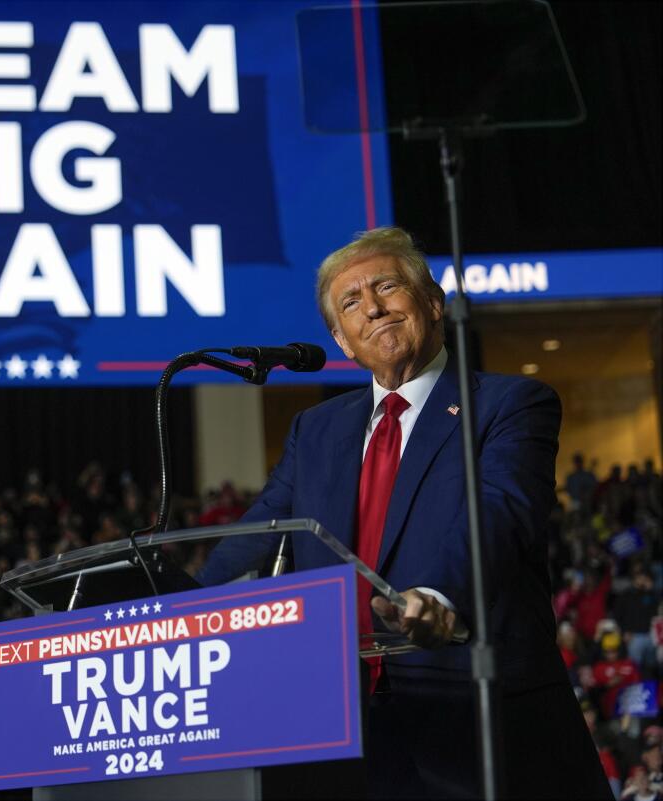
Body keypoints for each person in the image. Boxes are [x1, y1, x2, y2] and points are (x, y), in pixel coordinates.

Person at [197, 227, 607, 798]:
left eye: (387, 286)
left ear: (433, 302)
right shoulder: (315, 431)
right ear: (342, 340)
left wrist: (437, 598)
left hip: (478, 720)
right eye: (351, 303)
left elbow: (500, 514)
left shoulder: (508, 404)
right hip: (343, 728)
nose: (373, 307)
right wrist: (177, 613)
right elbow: (257, 536)